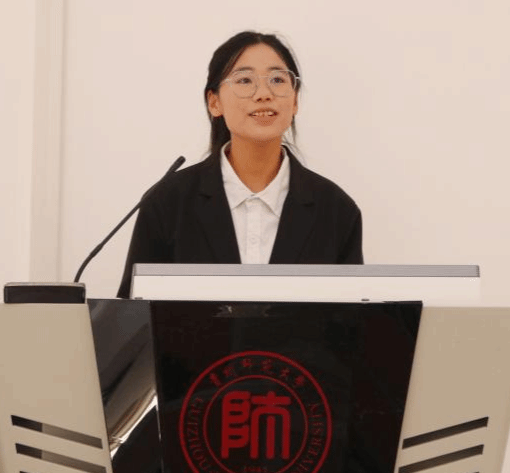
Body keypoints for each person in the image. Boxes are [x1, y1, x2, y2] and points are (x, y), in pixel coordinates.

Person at [117, 31, 363, 298]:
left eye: (277, 80)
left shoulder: (337, 210)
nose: (264, 94)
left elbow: (353, 318)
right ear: (214, 102)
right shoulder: (167, 202)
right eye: (245, 80)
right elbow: (132, 315)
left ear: (295, 101)